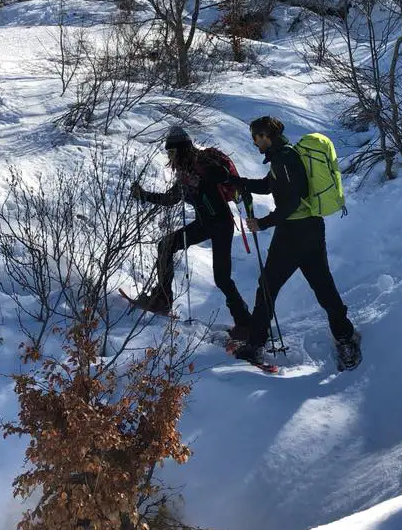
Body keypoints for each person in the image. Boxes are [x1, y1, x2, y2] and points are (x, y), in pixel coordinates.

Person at [229, 116, 361, 371]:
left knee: (267, 287)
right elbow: (270, 186)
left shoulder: (286, 158)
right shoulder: (284, 157)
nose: (255, 143)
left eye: (256, 137)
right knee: (323, 286)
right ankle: (345, 337)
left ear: (266, 135)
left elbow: (292, 201)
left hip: (293, 233)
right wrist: (241, 183)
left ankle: (256, 343)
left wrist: (263, 223)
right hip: (309, 229)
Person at [130, 126, 251, 331]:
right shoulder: (185, 171)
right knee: (166, 245)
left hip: (221, 223)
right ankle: (163, 298)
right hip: (205, 223)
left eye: (171, 151)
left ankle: (245, 323)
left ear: (180, 149)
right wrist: (144, 195)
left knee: (221, 278)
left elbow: (222, 175)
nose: (169, 156)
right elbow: (171, 199)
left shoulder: (202, 162)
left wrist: (204, 176)